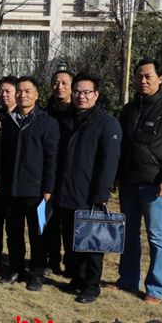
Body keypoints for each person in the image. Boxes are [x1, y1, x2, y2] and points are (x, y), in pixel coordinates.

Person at [55, 73, 121, 304]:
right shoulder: (67, 119)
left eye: (86, 92)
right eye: (77, 92)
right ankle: (77, 278)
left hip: (90, 192)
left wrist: (101, 193)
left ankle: (91, 286)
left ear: (96, 94)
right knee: (71, 238)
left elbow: (109, 161)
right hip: (67, 189)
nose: (81, 96)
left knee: (92, 242)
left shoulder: (107, 123)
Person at [0, 76, 59, 291]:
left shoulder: (47, 122)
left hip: (37, 191)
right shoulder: (7, 121)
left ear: (37, 94)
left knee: (38, 233)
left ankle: (36, 273)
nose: (22, 95)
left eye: (27, 91)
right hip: (11, 188)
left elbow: (52, 158)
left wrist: (48, 188)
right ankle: (16, 268)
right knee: (13, 232)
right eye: (19, 91)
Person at [112, 57, 162, 304]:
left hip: (155, 184)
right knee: (128, 233)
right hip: (129, 182)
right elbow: (121, 146)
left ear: (160, 79)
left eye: (148, 76)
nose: (142, 80)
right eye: (139, 76)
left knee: (157, 236)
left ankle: (156, 288)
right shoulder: (129, 110)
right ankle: (127, 280)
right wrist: (116, 175)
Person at [44, 69, 75, 276]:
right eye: (56, 83)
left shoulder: (78, 112)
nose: (60, 87)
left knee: (71, 223)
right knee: (49, 221)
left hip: (71, 175)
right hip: (49, 173)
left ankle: (71, 264)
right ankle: (52, 260)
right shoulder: (45, 112)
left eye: (64, 83)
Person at [0, 75, 18, 272]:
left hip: (15, 180)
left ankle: (16, 263)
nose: (4, 94)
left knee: (14, 226)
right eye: (1, 91)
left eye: (8, 91)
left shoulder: (22, 117)